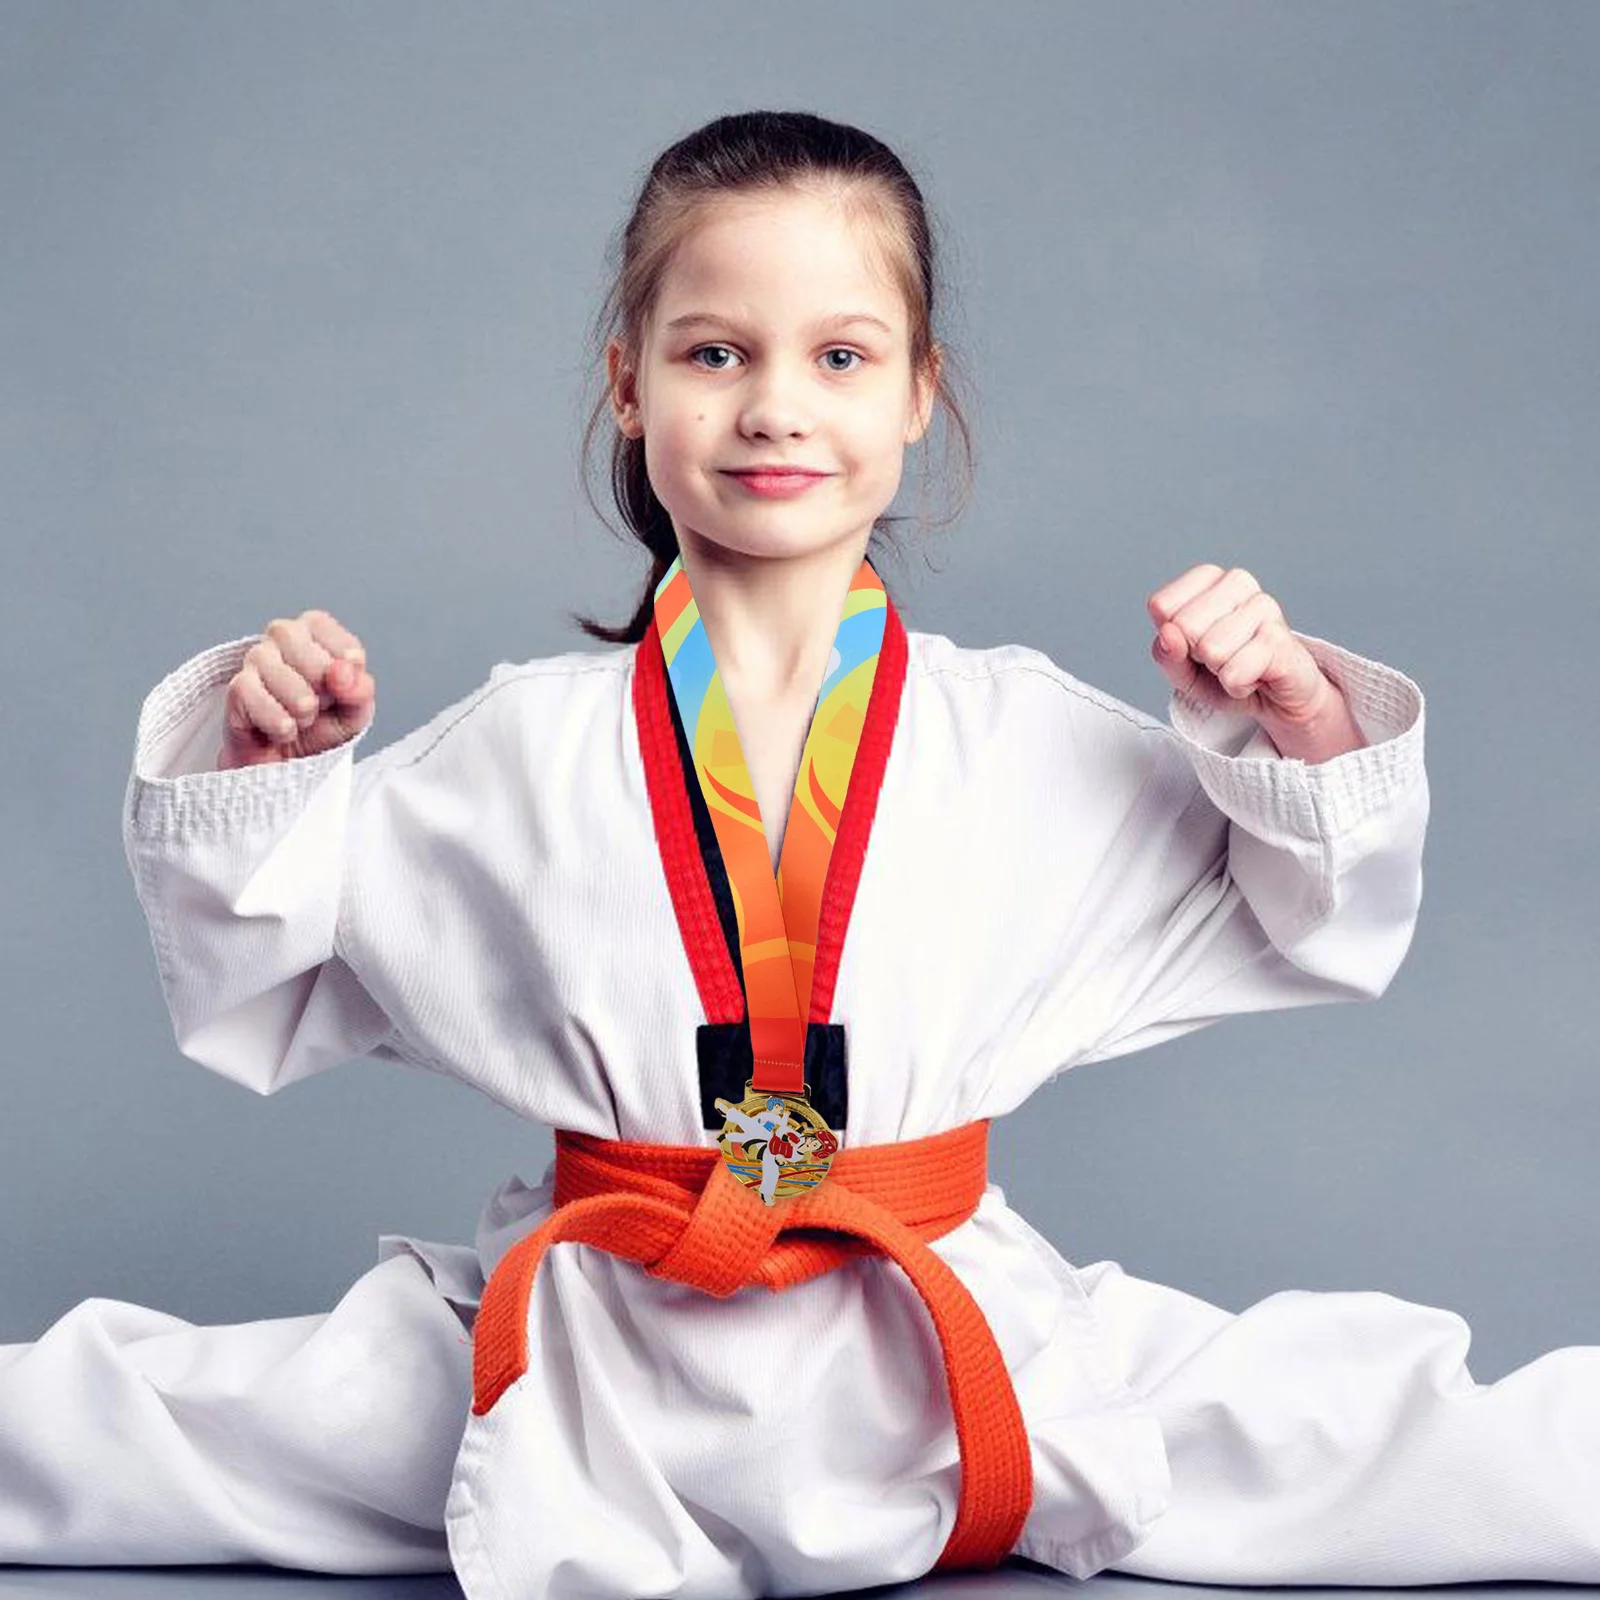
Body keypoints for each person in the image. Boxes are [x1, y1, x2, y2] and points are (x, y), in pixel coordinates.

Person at [4, 107, 1598, 1600]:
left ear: (917, 392)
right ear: (629, 384)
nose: (775, 405)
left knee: (1407, 1434)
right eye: (715, 352)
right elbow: (263, 977)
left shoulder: (1028, 741)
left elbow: (1309, 917)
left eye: (840, 354)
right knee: (117, 1423)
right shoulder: (510, 751)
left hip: (953, 1361)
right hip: (585, 1368)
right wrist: (270, 769)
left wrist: (1293, 724)